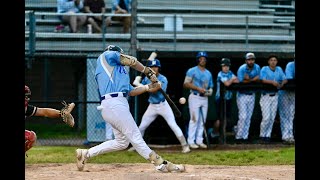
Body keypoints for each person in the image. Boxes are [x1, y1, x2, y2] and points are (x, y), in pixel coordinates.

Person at [75, 45, 185, 173]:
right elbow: (131, 60)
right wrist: (147, 71)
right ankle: (161, 164)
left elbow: (130, 91)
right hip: (115, 104)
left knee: (122, 142)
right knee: (136, 137)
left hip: (114, 105)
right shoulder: (106, 56)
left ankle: (86, 153)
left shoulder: (117, 71)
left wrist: (149, 86)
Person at [129, 59, 191, 153]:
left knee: (173, 125)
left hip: (163, 105)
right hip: (152, 106)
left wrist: (138, 84)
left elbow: (153, 90)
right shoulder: (146, 78)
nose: (154, 69)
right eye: (152, 67)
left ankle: (185, 146)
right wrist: (139, 83)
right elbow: (140, 90)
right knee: (142, 126)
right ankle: (137, 146)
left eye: (156, 67)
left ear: (159, 68)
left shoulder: (163, 79)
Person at [25, 85, 75, 154]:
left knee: (31, 137)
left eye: (26, 96)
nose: (26, 98)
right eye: (25, 96)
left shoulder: (26, 108)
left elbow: (44, 112)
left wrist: (61, 113)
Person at [183, 51, 214, 149]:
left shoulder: (208, 73)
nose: (202, 60)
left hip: (204, 97)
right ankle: (191, 141)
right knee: (194, 119)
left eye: (204, 59)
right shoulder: (192, 70)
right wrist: (198, 88)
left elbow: (211, 87)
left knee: (202, 120)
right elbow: (186, 84)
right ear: (198, 60)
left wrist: (209, 91)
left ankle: (199, 140)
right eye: (201, 58)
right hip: (195, 96)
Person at [259, 55, 287, 143]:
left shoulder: (279, 69)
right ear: (268, 62)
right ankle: (262, 135)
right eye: (271, 60)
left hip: (275, 96)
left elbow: (285, 79)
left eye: (275, 60)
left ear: (277, 62)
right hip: (265, 96)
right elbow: (262, 80)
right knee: (266, 118)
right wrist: (272, 82)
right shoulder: (264, 69)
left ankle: (268, 136)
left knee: (272, 118)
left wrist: (281, 84)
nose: (273, 62)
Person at [235, 52, 261, 144]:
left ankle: (245, 137)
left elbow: (258, 79)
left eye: (252, 59)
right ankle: (238, 136)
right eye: (249, 59)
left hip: (252, 95)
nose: (251, 61)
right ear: (246, 60)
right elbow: (241, 81)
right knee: (243, 116)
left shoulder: (257, 67)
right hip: (242, 95)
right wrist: (253, 80)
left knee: (248, 117)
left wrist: (249, 80)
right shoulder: (242, 68)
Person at [213, 58, 239, 139]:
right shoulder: (220, 74)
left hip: (228, 99)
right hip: (220, 99)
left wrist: (231, 80)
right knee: (219, 119)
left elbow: (238, 80)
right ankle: (214, 133)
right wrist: (232, 79)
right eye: (224, 66)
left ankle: (222, 135)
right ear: (221, 66)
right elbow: (227, 84)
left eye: (227, 66)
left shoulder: (230, 73)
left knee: (226, 118)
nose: (226, 67)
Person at [278, 58, 295, 144]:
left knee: (291, 115)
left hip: (293, 93)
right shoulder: (290, 65)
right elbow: (290, 79)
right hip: (284, 92)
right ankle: (285, 136)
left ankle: (290, 136)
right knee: (284, 114)